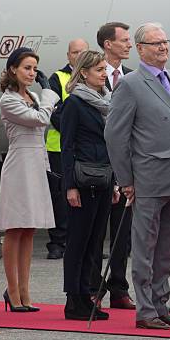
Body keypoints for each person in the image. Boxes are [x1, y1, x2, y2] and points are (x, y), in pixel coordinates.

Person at [105, 23, 170, 330]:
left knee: (166, 245)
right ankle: (145, 310)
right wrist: (126, 179)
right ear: (140, 49)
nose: (163, 47)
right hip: (150, 176)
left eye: (165, 42)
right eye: (155, 43)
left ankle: (161, 305)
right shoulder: (131, 84)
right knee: (145, 245)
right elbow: (115, 135)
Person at [0, 47, 57, 312]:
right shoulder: (8, 99)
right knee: (15, 228)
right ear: (13, 69)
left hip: (35, 163)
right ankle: (12, 290)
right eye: (27, 68)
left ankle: (25, 290)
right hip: (19, 164)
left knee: (30, 228)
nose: (32, 73)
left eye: (34, 68)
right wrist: (49, 96)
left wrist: (42, 96)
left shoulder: (32, 95)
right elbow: (41, 119)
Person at [60, 50, 114, 321]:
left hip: (104, 177)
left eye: (105, 69)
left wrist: (115, 181)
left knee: (94, 242)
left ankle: (88, 294)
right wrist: (70, 185)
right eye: (99, 70)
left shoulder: (106, 102)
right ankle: (74, 299)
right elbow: (66, 145)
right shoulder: (74, 104)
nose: (104, 73)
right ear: (84, 73)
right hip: (82, 179)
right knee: (78, 241)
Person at [91, 22, 135, 310]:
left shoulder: (132, 78)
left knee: (123, 232)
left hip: (127, 165)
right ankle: (94, 286)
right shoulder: (89, 75)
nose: (129, 45)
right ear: (108, 44)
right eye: (124, 40)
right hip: (98, 163)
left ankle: (119, 287)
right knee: (96, 231)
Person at [45, 38, 89, 260]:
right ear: (68, 56)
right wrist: (78, 128)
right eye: (74, 52)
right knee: (61, 196)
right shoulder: (58, 78)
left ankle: (79, 241)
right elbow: (55, 113)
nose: (78, 56)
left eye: (83, 52)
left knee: (85, 194)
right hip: (59, 147)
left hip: (85, 148)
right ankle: (58, 241)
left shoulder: (94, 76)